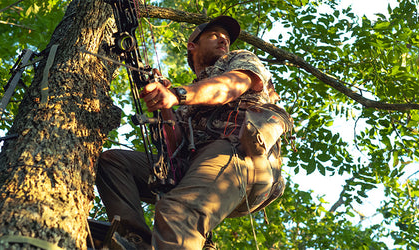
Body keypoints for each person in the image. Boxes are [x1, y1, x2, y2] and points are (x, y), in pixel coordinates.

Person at [95, 15, 287, 249]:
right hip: (195, 165)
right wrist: (166, 106)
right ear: (192, 45)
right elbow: (175, 150)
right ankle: (137, 241)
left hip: (239, 154)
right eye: (214, 35)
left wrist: (176, 95)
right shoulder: (191, 100)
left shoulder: (239, 60)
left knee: (177, 212)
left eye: (226, 38)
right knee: (113, 162)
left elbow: (229, 87)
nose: (224, 40)